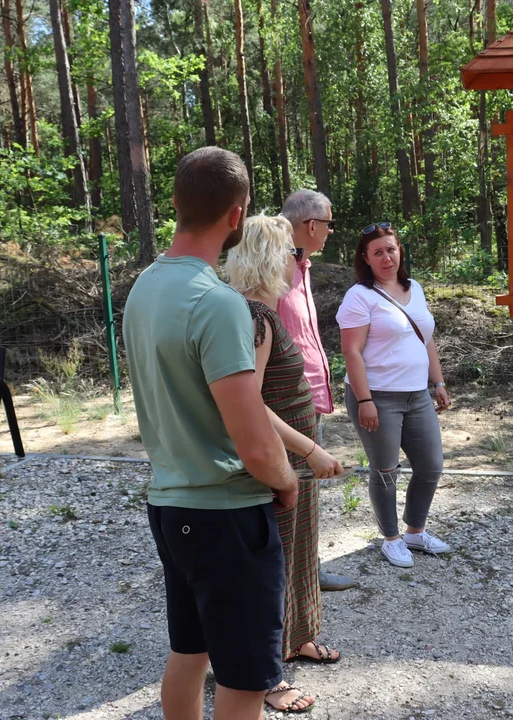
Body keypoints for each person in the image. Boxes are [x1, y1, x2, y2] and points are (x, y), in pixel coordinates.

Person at [123, 146, 298, 719]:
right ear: (237, 216)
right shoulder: (218, 303)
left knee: (190, 651)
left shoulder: (143, 288)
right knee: (245, 681)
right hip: (226, 514)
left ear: (175, 203)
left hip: (170, 504)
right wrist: (287, 480)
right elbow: (252, 438)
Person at [226, 214, 345, 713]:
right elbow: (249, 401)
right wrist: (309, 450)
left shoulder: (266, 311)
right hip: (281, 461)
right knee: (271, 566)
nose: (300, 261)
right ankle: (267, 676)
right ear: (269, 257)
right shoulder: (255, 317)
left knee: (298, 552)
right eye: (293, 253)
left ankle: (297, 638)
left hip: (293, 459)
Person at [337, 222, 452, 568]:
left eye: (391, 249)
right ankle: (391, 538)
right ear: (366, 259)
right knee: (385, 469)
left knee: (431, 466)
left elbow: (426, 338)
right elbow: (352, 353)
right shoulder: (360, 296)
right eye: (378, 252)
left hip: (417, 394)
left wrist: (439, 382)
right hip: (378, 397)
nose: (386, 257)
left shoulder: (414, 288)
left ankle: (415, 531)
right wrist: (366, 400)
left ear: (400, 251)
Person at [276, 189, 357, 593]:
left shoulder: (300, 265)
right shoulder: (274, 267)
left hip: (307, 398)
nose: (329, 231)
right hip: (287, 401)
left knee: (304, 489)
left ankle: (304, 570)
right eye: (328, 223)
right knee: (294, 489)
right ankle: (296, 577)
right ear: (311, 226)